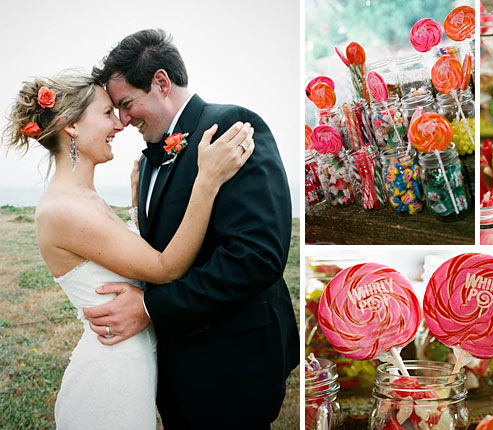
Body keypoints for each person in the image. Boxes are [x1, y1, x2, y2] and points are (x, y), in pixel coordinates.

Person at [3, 72, 254, 428]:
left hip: (131, 367)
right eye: (107, 113)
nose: (120, 124)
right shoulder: (64, 209)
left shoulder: (83, 199)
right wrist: (207, 180)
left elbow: (123, 254)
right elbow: (166, 267)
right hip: (110, 382)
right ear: (70, 125)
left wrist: (137, 204)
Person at [86, 29, 299, 428]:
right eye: (116, 109)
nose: (124, 119)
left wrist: (150, 308)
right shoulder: (149, 159)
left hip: (233, 365)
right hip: (178, 369)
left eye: (127, 104)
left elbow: (256, 257)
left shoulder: (233, 126)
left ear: (161, 82)